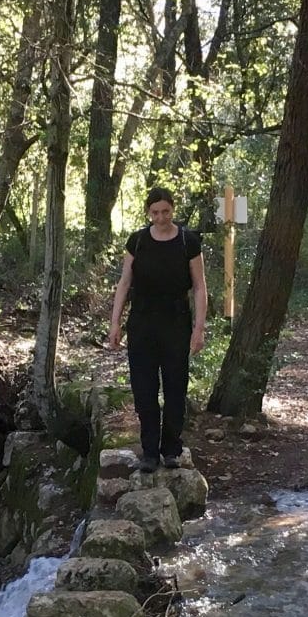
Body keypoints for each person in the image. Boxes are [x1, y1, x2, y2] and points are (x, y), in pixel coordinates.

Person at [107, 186, 207, 471]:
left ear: (172, 210)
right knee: (144, 389)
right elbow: (125, 283)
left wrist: (199, 328)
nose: (161, 218)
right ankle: (149, 451)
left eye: (165, 211)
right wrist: (115, 323)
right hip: (141, 322)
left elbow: (200, 287)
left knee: (176, 387)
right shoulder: (137, 241)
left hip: (176, 323)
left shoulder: (188, 242)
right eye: (155, 212)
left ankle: (171, 449)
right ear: (147, 213)